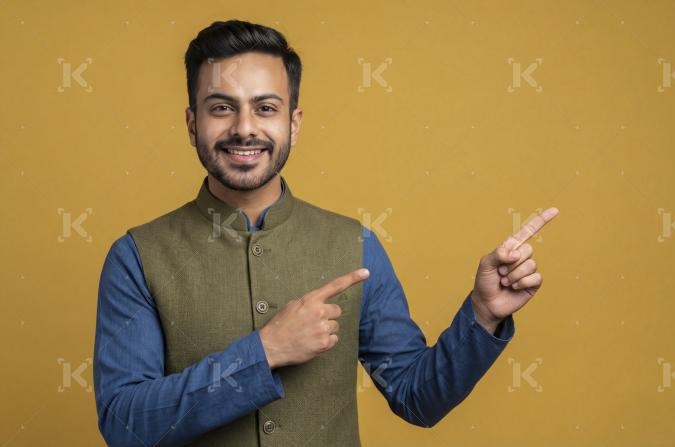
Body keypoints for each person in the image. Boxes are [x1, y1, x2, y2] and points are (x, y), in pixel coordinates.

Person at [92, 19, 558, 447]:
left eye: (266, 108)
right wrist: (265, 351)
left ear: (293, 124)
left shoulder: (355, 245)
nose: (245, 128)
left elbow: (418, 398)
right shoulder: (137, 256)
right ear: (193, 124)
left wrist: (482, 316)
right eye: (221, 108)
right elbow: (124, 424)